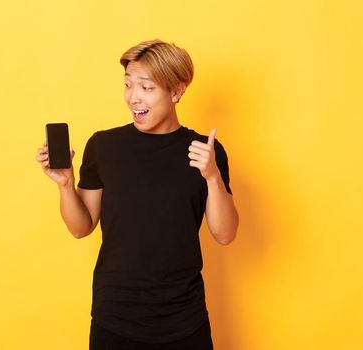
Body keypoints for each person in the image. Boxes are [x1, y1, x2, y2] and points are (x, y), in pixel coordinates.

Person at [35, 39, 239, 349]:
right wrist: (65, 184)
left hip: (184, 318)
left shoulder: (206, 152)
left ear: (176, 90)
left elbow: (224, 234)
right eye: (128, 85)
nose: (133, 98)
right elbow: (81, 226)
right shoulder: (104, 146)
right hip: (114, 317)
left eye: (146, 87)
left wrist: (212, 176)